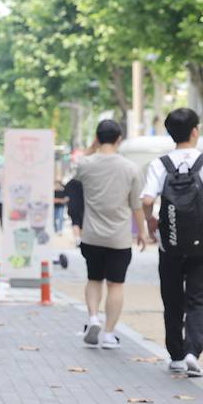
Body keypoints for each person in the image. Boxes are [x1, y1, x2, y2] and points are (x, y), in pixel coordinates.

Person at [141, 108, 203, 377]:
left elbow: (146, 200)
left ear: (169, 133)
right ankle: (193, 352)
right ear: (195, 131)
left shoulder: (160, 164)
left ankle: (176, 356)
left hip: (170, 243)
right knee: (198, 298)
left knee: (172, 298)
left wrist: (151, 222)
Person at [74, 120, 146, 350]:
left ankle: (93, 317)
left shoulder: (86, 164)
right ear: (119, 139)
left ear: (97, 137)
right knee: (116, 285)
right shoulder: (130, 168)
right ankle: (108, 333)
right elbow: (137, 205)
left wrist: (91, 147)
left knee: (94, 279)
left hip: (91, 235)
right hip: (119, 238)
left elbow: (78, 167)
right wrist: (142, 231)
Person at [63, 177, 83, 246]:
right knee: (81, 223)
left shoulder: (69, 184)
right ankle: (81, 239)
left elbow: (65, 196)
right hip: (82, 206)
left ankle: (77, 239)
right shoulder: (82, 183)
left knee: (75, 222)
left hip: (72, 206)